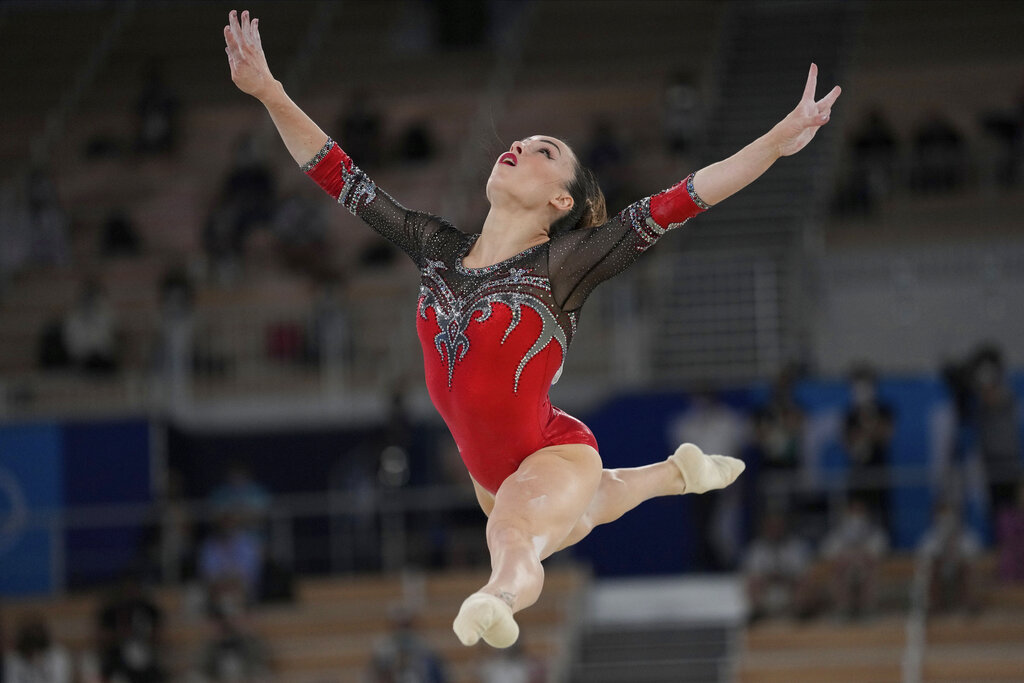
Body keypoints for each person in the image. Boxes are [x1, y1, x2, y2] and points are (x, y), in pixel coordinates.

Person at [224, 9, 840, 647]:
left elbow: (685, 197)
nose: (517, 146)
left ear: (561, 202)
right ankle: (672, 474)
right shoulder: (436, 247)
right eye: (520, 142)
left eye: (545, 152)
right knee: (576, 511)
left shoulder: (564, 265)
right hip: (490, 478)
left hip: (553, 451)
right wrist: (270, 90)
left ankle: (497, 599)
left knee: (516, 534)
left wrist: (775, 141)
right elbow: (336, 174)